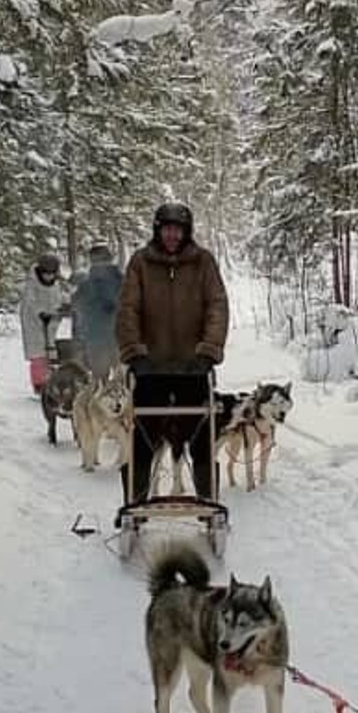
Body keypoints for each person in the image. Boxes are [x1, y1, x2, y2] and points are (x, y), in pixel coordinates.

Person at [115, 201, 229, 510]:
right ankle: (135, 505)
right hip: (150, 369)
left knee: (202, 439)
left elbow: (216, 306)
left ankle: (208, 502)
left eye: (178, 230)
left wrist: (209, 350)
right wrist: (133, 351)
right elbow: (127, 310)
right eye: (166, 229)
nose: (172, 236)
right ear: (157, 230)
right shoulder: (140, 263)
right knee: (142, 441)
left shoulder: (203, 263)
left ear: (187, 232)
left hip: (193, 369)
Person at [15, 252, 69, 393]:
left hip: (50, 320)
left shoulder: (57, 282)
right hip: (34, 322)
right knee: (38, 353)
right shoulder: (32, 283)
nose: (49, 276)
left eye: (52, 274)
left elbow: (59, 296)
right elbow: (30, 302)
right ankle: (39, 385)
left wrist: (65, 305)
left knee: (51, 351)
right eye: (46, 273)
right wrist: (40, 312)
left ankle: (52, 381)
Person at [69, 243, 123, 376]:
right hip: (119, 337)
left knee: (100, 378)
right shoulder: (123, 280)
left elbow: (76, 303)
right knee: (122, 378)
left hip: (96, 337)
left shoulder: (87, 284)